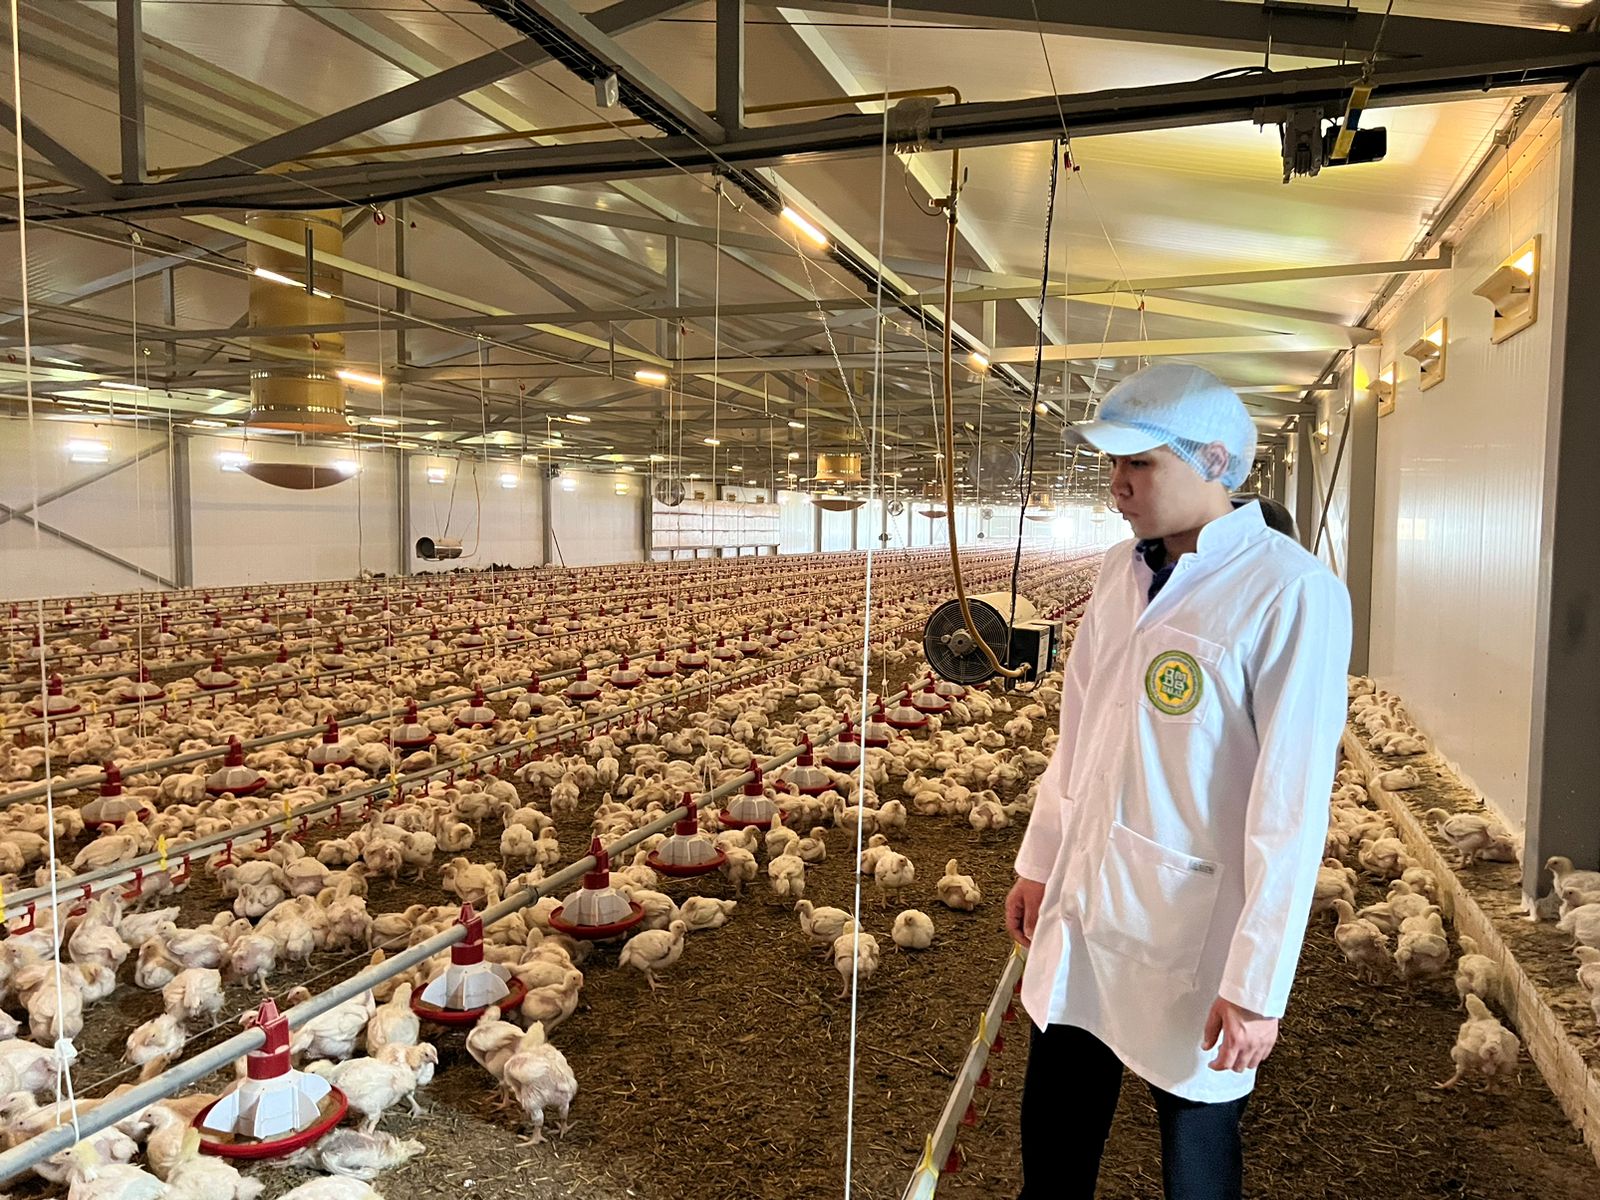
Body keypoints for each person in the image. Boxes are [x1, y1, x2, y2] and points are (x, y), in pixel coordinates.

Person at [1005, 363, 1351, 1200]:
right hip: (1088, 900)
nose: (1117, 486)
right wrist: (1039, 861)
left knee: (1195, 1152)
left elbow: (1291, 805)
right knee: (1055, 1142)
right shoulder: (1117, 572)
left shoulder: (1291, 591)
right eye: (1112, 465)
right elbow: (1079, 735)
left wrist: (1257, 986)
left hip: (1193, 923)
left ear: (1215, 462)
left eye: (1141, 464)